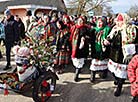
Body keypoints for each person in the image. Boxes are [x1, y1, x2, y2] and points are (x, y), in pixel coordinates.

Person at [104, 13, 137, 96]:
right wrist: (106, 42)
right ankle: (117, 79)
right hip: (114, 53)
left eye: (120, 21)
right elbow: (110, 38)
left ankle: (119, 86)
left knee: (122, 72)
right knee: (113, 71)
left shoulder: (131, 29)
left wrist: (132, 46)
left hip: (125, 54)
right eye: (117, 21)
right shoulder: (115, 29)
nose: (118, 23)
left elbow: (135, 40)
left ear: (125, 21)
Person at [89, 17, 111, 83]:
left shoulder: (107, 29)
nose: (99, 24)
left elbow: (110, 37)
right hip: (95, 48)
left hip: (104, 49)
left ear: (104, 23)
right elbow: (91, 38)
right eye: (98, 22)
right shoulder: (94, 30)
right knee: (94, 63)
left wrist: (107, 40)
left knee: (104, 62)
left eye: (101, 22)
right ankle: (92, 75)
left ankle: (104, 73)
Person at [70, 16, 89, 82]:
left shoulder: (85, 28)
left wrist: (85, 38)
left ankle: (76, 75)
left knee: (79, 60)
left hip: (81, 47)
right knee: (75, 60)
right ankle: (78, 69)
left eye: (81, 21)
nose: (80, 22)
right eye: (79, 20)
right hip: (74, 45)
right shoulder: (74, 27)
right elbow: (71, 35)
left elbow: (88, 36)